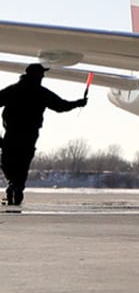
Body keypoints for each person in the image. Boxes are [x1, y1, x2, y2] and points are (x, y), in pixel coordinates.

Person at [0, 64, 87, 207]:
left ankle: (14, 186)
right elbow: (61, 106)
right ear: (35, 75)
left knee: (9, 162)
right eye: (41, 74)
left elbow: (60, 106)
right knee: (22, 163)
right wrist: (78, 103)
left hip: (14, 134)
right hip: (28, 134)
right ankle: (16, 187)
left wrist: (77, 103)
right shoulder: (40, 92)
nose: (43, 77)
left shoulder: (13, 90)